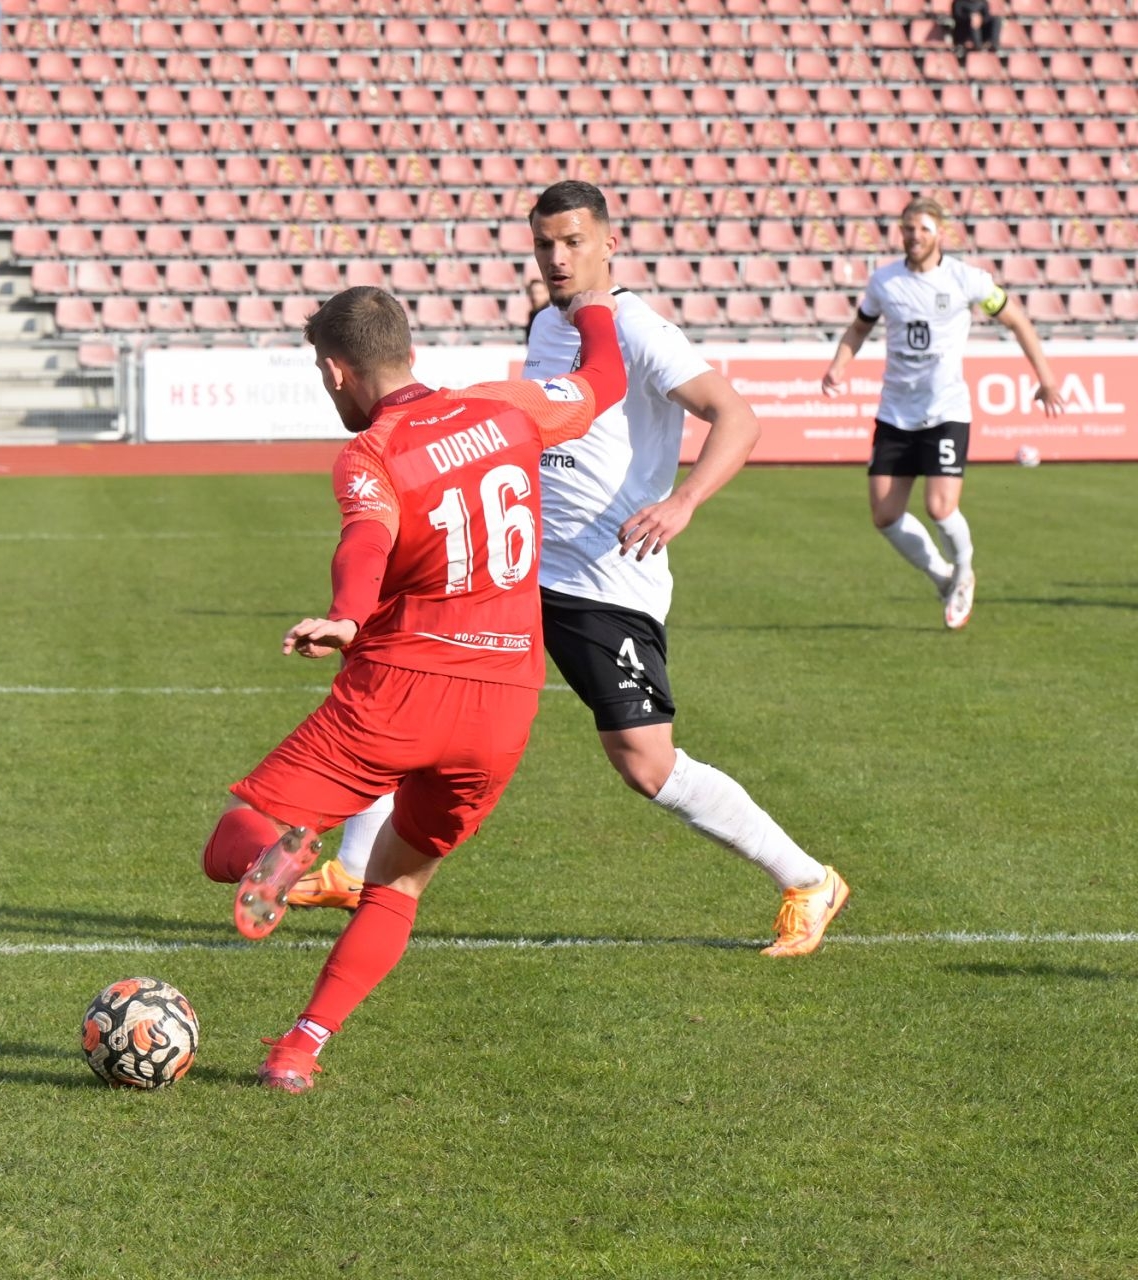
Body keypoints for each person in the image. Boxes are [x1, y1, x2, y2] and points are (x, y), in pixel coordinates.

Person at [299, 180, 850, 961]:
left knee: (644, 762)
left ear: (608, 243)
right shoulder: (548, 324)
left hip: (605, 579)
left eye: (572, 242)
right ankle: (356, 869)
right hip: (521, 568)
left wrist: (684, 500)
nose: (556, 258)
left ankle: (809, 880)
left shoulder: (637, 328)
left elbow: (738, 416)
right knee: (401, 675)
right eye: (544, 244)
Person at [198, 284, 626, 1092]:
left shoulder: (374, 451)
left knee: (233, 837)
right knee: (397, 883)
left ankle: (273, 861)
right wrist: (593, 308)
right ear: (409, 351)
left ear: (336, 371)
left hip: (400, 692)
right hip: (504, 705)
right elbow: (605, 379)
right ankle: (299, 1050)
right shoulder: (509, 408)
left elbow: (366, 539)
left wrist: (347, 617)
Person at [821, 196, 1059, 630]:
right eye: (908, 229)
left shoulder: (968, 280)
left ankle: (964, 572)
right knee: (884, 516)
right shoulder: (884, 282)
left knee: (939, 507)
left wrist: (1045, 377)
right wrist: (839, 364)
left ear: (940, 233)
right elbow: (859, 328)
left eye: (923, 229)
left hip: (946, 410)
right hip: (895, 413)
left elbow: (1017, 321)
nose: (914, 236)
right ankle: (943, 577)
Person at [522, 277, 551, 343]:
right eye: (532, 293)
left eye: (539, 293)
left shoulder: (550, 315)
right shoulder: (532, 314)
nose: (535, 296)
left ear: (547, 294)